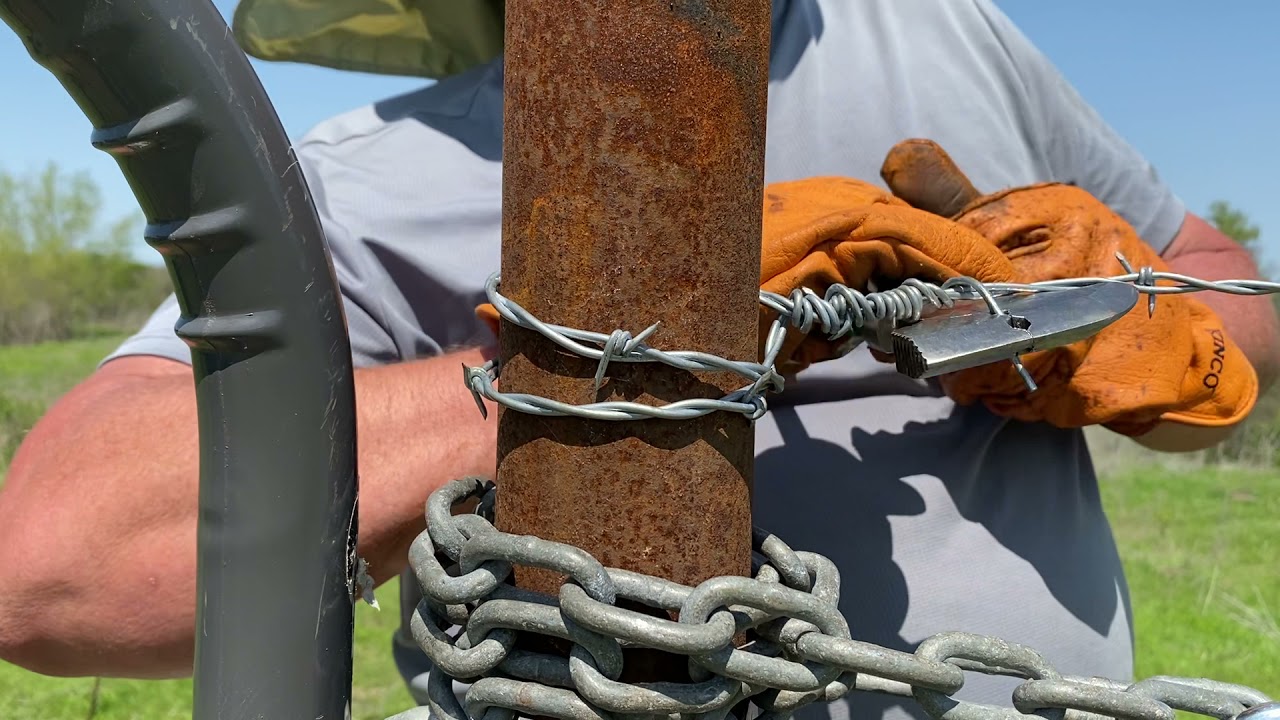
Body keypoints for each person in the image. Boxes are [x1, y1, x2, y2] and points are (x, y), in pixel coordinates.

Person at [0, 1, 1275, 719]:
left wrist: (1125, 312)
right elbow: (57, 572)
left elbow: (1228, 290)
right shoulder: (365, 177)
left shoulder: (947, 36)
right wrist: (634, 348)